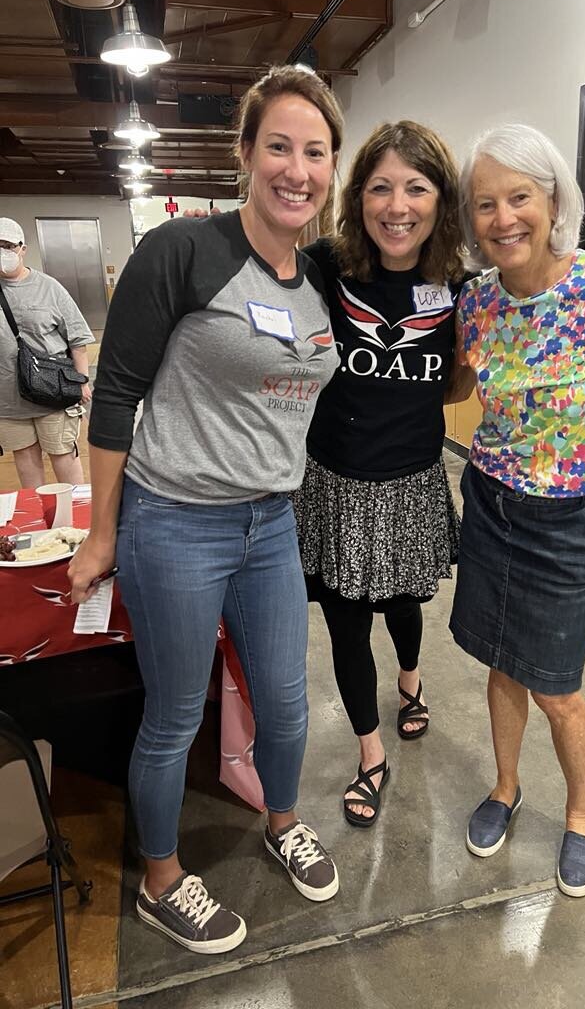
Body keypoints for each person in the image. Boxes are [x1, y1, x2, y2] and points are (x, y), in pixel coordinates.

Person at [67, 65, 344, 954]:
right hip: (177, 520)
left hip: (272, 523)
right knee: (177, 712)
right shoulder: (183, 252)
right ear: (246, 154)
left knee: (289, 703)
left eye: (315, 152)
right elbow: (115, 395)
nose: (296, 169)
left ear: (330, 167)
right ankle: (159, 879)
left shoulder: (319, 278)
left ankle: (282, 819)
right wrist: (102, 531)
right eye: (279, 147)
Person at [450, 124, 585, 896]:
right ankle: (506, 788)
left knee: (556, 684)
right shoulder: (475, 300)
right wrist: (437, 360)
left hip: (576, 520)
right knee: (502, 666)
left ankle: (582, 814)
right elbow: (457, 393)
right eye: (485, 204)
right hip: (491, 505)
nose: (503, 218)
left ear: (552, 201)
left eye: (519, 198)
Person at [292, 121, 468, 827]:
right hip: (334, 479)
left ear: (439, 199)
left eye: (416, 188)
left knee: (403, 604)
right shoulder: (323, 267)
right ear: (357, 196)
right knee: (344, 625)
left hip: (411, 480)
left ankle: (411, 681)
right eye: (380, 187)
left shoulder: (460, 284)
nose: (398, 206)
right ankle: (370, 753)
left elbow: (456, 383)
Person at [0, 217, 93, 487]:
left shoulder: (49, 288)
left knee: (63, 456)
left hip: (52, 391)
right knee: (25, 459)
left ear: (22, 249)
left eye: (7, 245)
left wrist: (82, 380)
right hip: (8, 398)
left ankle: (74, 525)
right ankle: (43, 523)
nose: (3, 252)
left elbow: (77, 338)